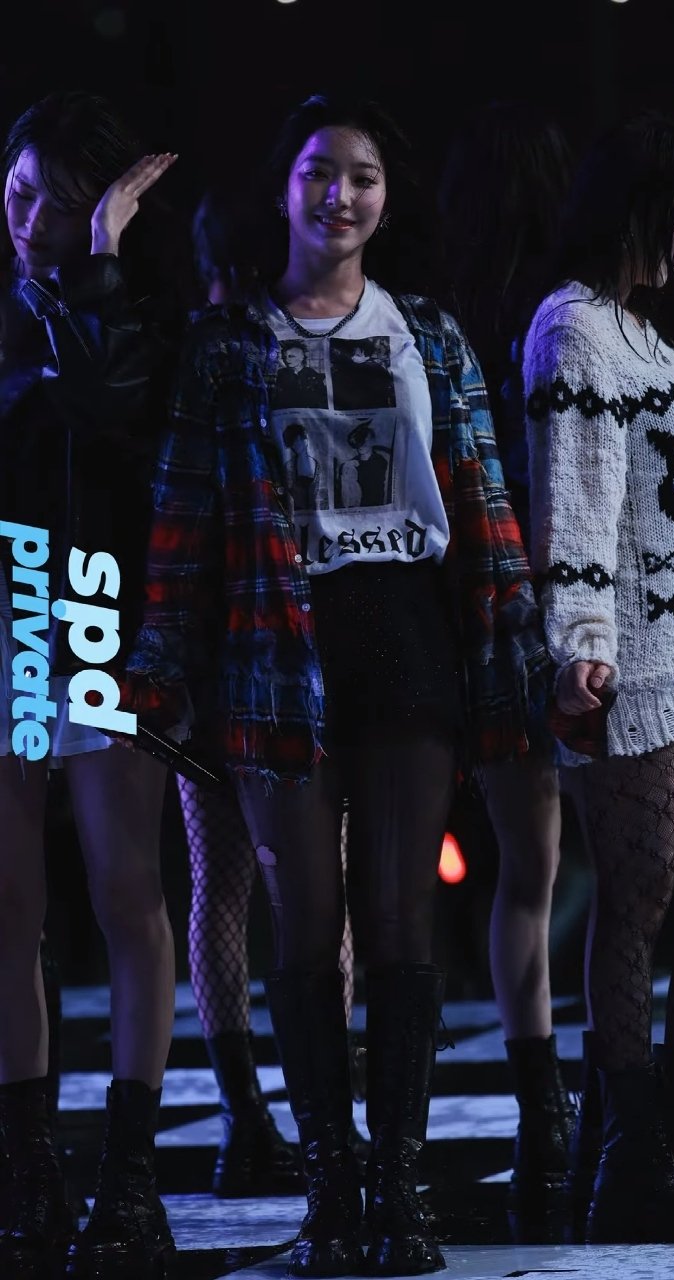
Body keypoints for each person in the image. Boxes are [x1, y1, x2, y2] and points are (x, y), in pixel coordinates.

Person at [121, 91, 549, 1278]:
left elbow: (485, 499)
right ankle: (328, 1188)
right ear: (285, 190)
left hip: (406, 635)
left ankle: (399, 1187)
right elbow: (183, 513)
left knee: (401, 921)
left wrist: (520, 644)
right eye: (319, 171)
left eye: (362, 174)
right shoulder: (229, 343)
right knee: (306, 923)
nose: (340, 193)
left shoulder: (431, 333)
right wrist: (157, 665)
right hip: (274, 643)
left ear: (385, 199)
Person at [523, 108, 674, 1245]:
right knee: (639, 900)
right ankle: (628, 1153)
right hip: (631, 664)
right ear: (631, 205)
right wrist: (580, 637)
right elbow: (577, 495)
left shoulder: (646, 335)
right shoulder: (573, 329)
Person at [0, 89, 186, 1277]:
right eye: (19, 192)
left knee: (128, 889)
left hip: (97, 610)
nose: (31, 222)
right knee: (10, 904)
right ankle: (27, 1166)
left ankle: (129, 1170)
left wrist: (104, 262)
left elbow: (103, 401)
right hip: (16, 612)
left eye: (64, 205)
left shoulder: (132, 313)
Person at [172, 187, 367, 1201]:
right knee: (313, 886)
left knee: (223, 884)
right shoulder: (271, 347)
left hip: (208, 649)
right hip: (279, 647)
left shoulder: (191, 349)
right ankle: (318, 1114)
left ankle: (247, 1115)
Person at [437, 100, 583, 1226]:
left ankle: (542, 1107)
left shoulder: (445, 311)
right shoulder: (572, 309)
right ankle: (579, 1102)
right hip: (566, 597)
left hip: (474, 604)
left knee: (517, 876)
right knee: (588, 870)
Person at [274, 339, 328, 408]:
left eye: (291, 356)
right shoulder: (280, 374)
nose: (286, 360)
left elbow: (320, 398)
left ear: (302, 357)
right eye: (284, 357)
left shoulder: (312, 374)